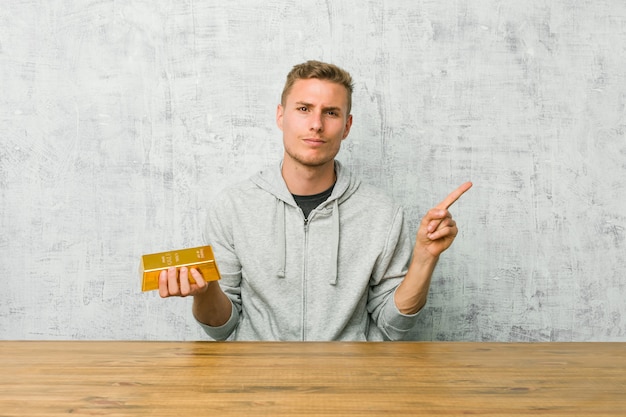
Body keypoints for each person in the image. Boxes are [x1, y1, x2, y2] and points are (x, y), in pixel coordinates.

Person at [159, 60, 472, 341]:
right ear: (281, 116)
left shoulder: (383, 214)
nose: (316, 124)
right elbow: (221, 329)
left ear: (347, 126)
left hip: (350, 388)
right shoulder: (232, 207)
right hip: (256, 387)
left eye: (331, 112)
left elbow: (393, 327)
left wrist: (424, 259)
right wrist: (205, 291)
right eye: (304, 108)